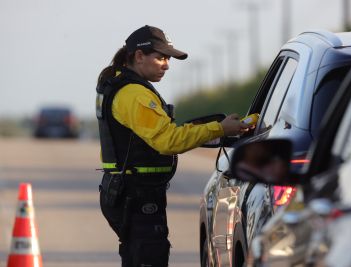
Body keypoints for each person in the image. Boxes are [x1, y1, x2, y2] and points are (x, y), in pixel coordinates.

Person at [95, 25, 249, 267]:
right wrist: (220, 129)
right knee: (148, 257)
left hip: (127, 192)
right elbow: (168, 140)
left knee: (138, 257)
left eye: (168, 58)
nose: (166, 65)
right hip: (136, 195)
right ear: (138, 56)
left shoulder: (119, 84)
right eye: (161, 57)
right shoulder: (134, 94)